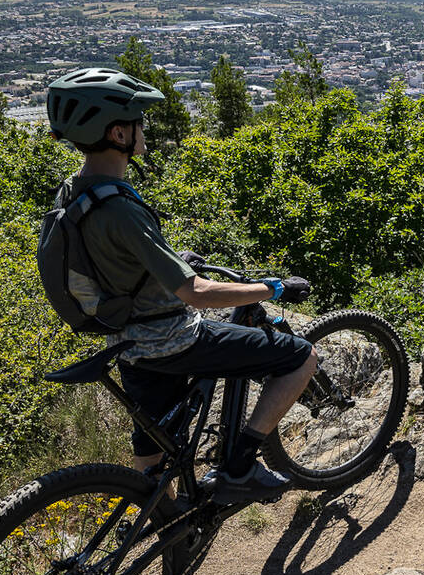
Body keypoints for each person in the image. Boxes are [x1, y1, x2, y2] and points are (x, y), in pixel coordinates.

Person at [44, 66, 318, 502]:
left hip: (126, 342)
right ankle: (238, 467)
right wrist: (273, 289)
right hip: (171, 339)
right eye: (138, 122)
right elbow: (195, 294)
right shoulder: (120, 208)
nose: (144, 130)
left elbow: (109, 260)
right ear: (117, 134)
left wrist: (165, 263)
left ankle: (162, 523)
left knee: (155, 447)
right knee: (301, 357)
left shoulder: (74, 193)